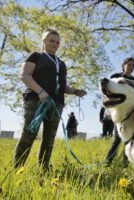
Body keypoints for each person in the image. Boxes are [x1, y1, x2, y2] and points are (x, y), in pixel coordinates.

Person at [14, 29, 87, 170]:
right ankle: (17, 169)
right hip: (36, 100)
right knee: (29, 133)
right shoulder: (36, 56)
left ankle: (44, 169)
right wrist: (40, 91)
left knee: (49, 138)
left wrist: (76, 91)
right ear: (44, 41)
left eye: (58, 42)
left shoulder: (62, 64)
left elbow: (64, 86)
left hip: (56, 103)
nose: (55, 44)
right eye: (51, 41)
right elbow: (24, 75)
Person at [105, 57, 134, 167]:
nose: (131, 67)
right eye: (129, 65)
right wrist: (109, 110)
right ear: (123, 65)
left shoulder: (133, 80)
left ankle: (124, 166)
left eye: (133, 66)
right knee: (117, 139)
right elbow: (107, 94)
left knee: (127, 140)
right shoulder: (115, 77)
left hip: (128, 113)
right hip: (117, 111)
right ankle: (107, 164)